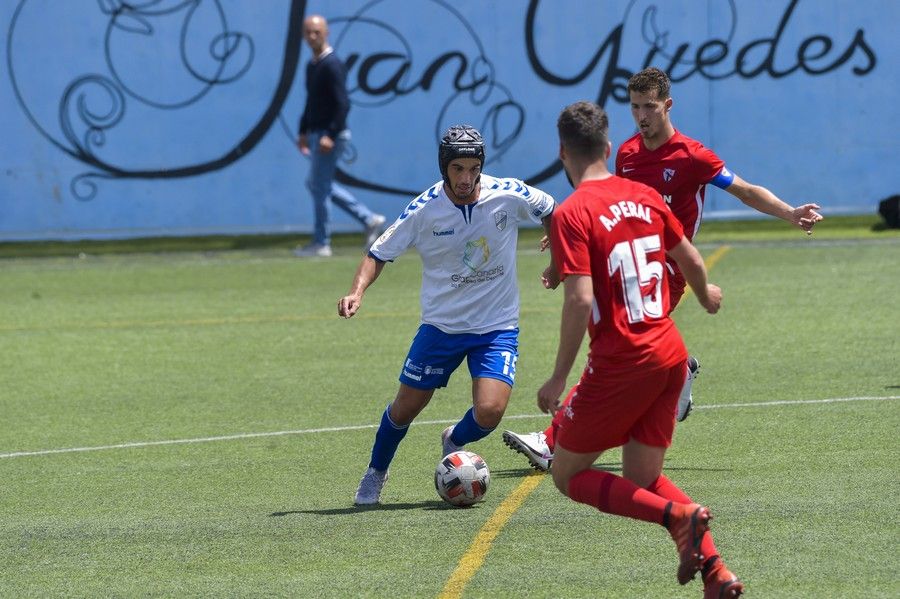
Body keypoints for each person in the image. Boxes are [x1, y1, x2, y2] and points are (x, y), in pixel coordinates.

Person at [503, 66, 824, 468]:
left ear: (667, 105)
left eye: (649, 107)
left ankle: (553, 441)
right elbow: (610, 202)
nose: (641, 115)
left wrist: (790, 213)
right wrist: (574, 232)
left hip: (668, 271)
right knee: (611, 348)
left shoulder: (692, 155)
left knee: (610, 350)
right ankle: (679, 368)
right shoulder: (628, 153)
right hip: (629, 261)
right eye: (635, 106)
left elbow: (745, 191)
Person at [538, 100, 742, 597]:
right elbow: (690, 258)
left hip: (622, 362)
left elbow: (580, 297)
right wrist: (707, 296)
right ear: (609, 148)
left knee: (567, 474)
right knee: (643, 478)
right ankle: (716, 572)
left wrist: (558, 377)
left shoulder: (571, 212)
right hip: (671, 356)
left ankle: (680, 518)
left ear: (562, 152)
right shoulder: (644, 196)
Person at [339, 124, 556, 506]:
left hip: (496, 327)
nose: (466, 178)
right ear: (445, 168)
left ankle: (455, 439)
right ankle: (376, 472)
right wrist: (357, 291)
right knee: (405, 407)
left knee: (490, 411)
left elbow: (552, 209)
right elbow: (378, 254)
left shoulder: (507, 193)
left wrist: (557, 244)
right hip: (442, 327)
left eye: (473, 168)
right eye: (458, 169)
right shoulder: (424, 210)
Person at [294, 14, 385, 258]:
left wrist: (331, 134)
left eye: (317, 32)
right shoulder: (312, 65)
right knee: (317, 184)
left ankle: (321, 243)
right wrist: (303, 130)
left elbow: (342, 104)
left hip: (329, 135)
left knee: (318, 185)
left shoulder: (332, 64)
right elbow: (311, 102)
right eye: (308, 32)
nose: (312, 36)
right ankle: (368, 218)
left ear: (326, 33)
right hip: (316, 133)